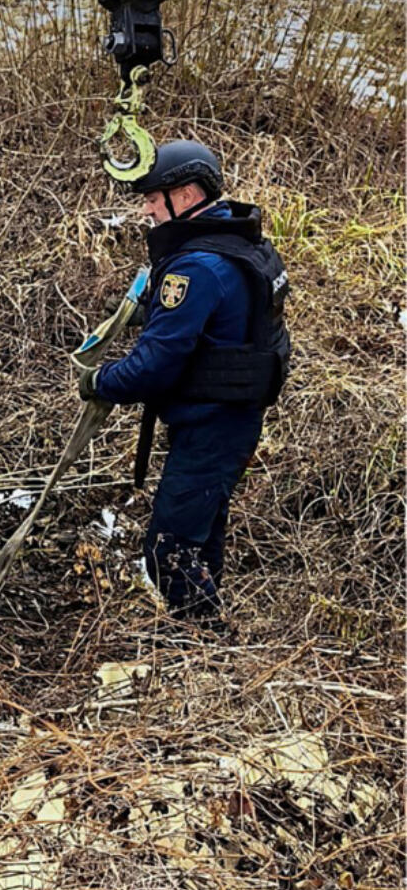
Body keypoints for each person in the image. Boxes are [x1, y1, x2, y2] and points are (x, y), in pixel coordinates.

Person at [78, 139, 290, 621]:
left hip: (212, 426)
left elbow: (155, 365)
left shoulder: (197, 266)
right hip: (228, 418)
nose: (149, 209)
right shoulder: (239, 239)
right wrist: (145, 313)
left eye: (155, 197)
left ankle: (205, 641)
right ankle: (201, 627)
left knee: (167, 550)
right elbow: (217, 321)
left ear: (188, 195)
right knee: (201, 529)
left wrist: (99, 381)